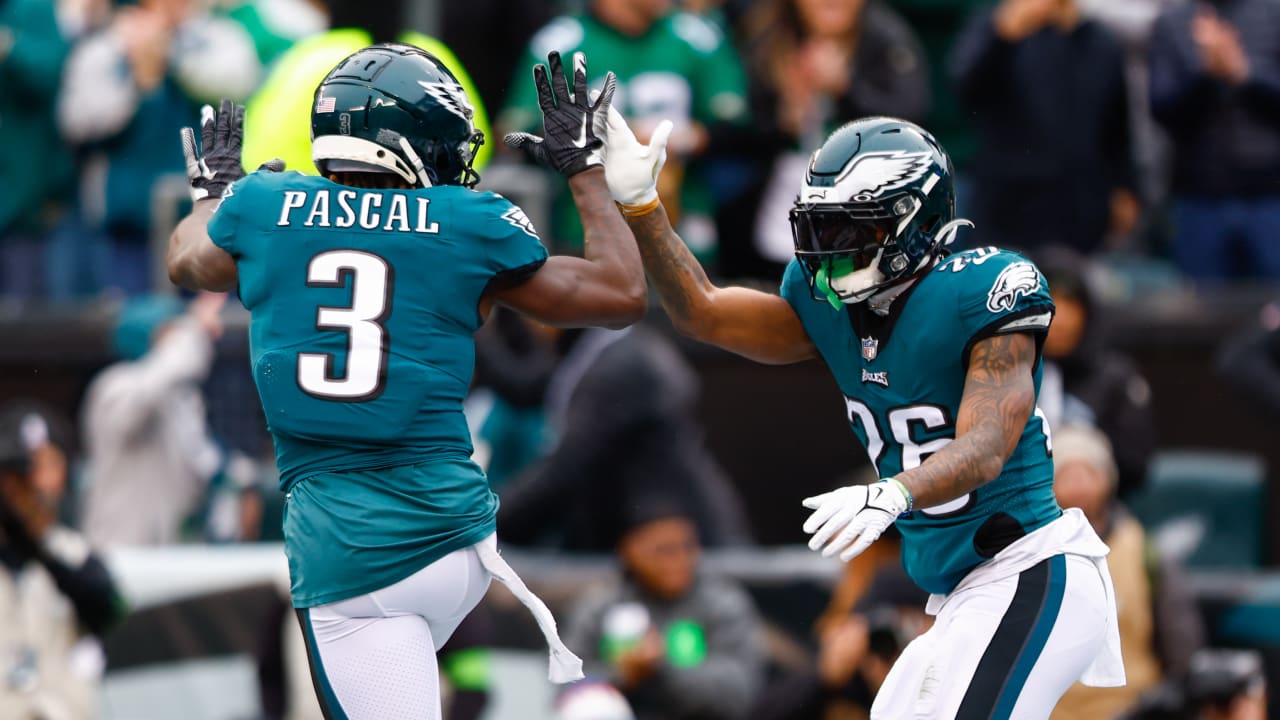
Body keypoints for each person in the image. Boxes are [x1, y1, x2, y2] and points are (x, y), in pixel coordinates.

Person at [166, 45, 647, 719]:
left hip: (355, 551)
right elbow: (622, 292)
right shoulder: (466, 222)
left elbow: (188, 262)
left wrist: (211, 194)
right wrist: (585, 172)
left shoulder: (265, 207)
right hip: (460, 536)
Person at [591, 110, 1125, 717]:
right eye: (822, 227)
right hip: (958, 592)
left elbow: (986, 446)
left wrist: (891, 494)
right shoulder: (827, 303)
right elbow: (705, 313)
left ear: (914, 220)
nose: (830, 250)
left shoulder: (984, 288)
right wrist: (641, 205)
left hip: (1031, 568)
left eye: (852, 230)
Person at [950, 0, 1139, 256]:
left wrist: (1126, 187)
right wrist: (1001, 37)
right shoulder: (1000, 24)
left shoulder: (1101, 42)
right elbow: (965, 92)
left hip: (1078, 212)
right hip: (1007, 209)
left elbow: (1117, 128)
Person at [1050, 423, 1203, 720]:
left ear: (1108, 480)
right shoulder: (1029, 554)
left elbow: (1183, 644)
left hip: (1130, 707)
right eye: (1066, 474)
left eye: (1089, 474)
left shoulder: (1142, 551)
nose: (1079, 486)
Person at [562, 497, 765, 720]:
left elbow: (737, 694)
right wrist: (623, 675)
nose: (679, 559)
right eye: (663, 550)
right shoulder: (601, 606)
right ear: (628, 550)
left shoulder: (722, 602)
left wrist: (662, 666)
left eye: (687, 547)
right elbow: (566, 688)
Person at [0, 402, 124, 719]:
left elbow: (113, 609)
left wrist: (36, 545)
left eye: (47, 465)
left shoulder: (75, 555)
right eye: (25, 471)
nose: (36, 483)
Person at [1148, 0, 1280, 283]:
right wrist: (1207, 74)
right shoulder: (1173, 23)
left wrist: (1243, 72)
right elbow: (1162, 110)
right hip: (1200, 200)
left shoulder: (1274, 14)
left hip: (1271, 199)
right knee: (1203, 317)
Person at [79, 292, 225, 546]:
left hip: (170, 552)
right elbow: (152, 388)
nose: (176, 341)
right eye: (170, 332)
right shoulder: (114, 386)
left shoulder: (179, 399)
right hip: (119, 550)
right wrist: (193, 331)